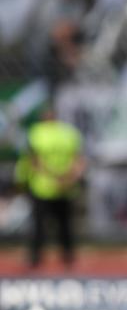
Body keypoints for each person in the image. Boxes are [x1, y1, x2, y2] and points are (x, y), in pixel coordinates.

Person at [15, 110, 86, 268]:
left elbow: (33, 160)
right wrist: (69, 178)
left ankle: (35, 259)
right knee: (65, 226)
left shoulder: (36, 132)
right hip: (66, 187)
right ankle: (68, 259)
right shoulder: (69, 133)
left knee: (39, 226)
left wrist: (52, 177)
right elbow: (79, 160)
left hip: (43, 187)